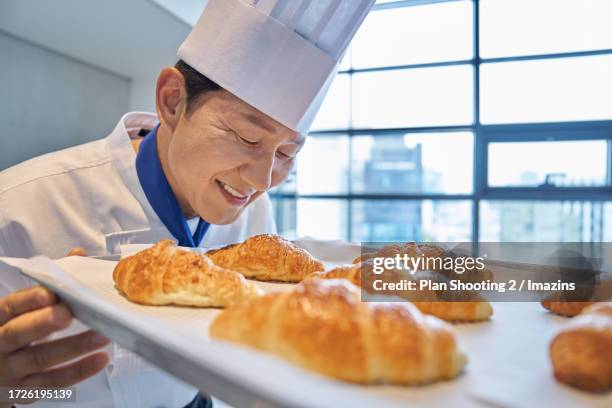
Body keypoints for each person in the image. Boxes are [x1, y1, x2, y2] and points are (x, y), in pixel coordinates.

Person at [0, 0, 374, 407]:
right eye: (248, 137)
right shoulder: (19, 209)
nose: (263, 181)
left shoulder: (255, 217)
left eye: (287, 154)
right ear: (173, 100)